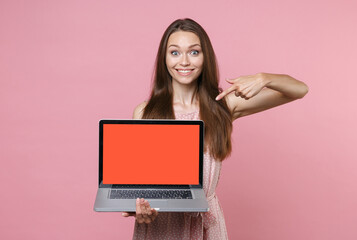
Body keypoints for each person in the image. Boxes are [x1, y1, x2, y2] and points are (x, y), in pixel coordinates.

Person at [122, 18, 308, 239]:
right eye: (174, 53)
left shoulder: (223, 105)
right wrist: (138, 209)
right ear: (164, 59)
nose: (184, 61)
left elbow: (299, 90)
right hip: (161, 223)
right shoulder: (145, 112)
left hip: (206, 225)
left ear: (205, 57)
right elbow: (139, 183)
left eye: (193, 52)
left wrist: (263, 79)